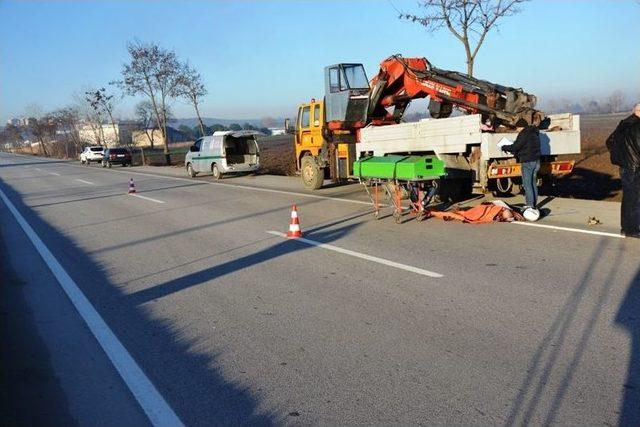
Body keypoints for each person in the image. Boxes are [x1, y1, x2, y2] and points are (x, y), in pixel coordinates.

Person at [606, 104, 640, 238]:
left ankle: (627, 228)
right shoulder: (637, 126)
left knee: (629, 198)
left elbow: (609, 142)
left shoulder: (623, 124)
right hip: (636, 167)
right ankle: (632, 230)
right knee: (634, 199)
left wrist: (621, 157)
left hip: (625, 167)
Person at [502, 115, 542, 208]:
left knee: (527, 184)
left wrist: (504, 147)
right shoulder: (534, 132)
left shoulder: (524, 133)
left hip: (527, 161)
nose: (517, 130)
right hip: (536, 161)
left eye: (517, 128)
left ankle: (529, 205)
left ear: (520, 127)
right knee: (533, 183)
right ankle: (534, 205)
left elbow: (516, 147)